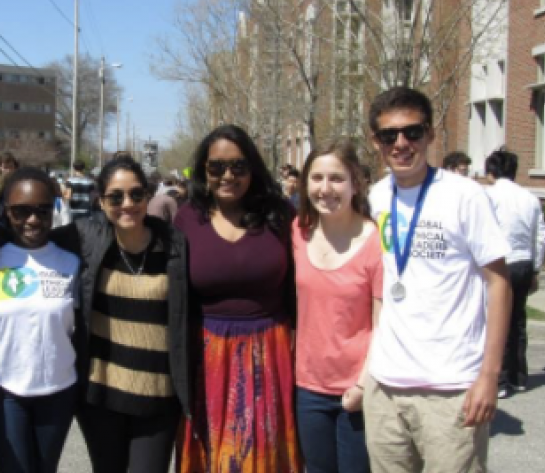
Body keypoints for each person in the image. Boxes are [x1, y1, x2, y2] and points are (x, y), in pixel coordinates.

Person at [0, 155, 195, 473]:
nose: (127, 204)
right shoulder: (84, 239)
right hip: (101, 397)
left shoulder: (172, 244)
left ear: (148, 196)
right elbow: (29, 235)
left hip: (156, 396)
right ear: (101, 200)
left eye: (137, 194)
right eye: (115, 196)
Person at [364, 87, 512, 473]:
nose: (401, 143)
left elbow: (499, 284)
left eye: (412, 132)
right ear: (375, 142)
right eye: (388, 135)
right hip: (385, 386)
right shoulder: (376, 197)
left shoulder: (464, 195)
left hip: (451, 388)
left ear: (429, 134)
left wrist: (490, 376)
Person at [176, 124, 302, 472]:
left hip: (269, 351)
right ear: (203, 170)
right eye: (216, 167)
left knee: (261, 455)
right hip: (206, 355)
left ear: (253, 168)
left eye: (238, 166)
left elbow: (300, 282)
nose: (227, 175)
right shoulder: (187, 218)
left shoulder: (279, 215)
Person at [0, 167, 81, 473]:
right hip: (6, 390)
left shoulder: (71, 262)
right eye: (21, 211)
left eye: (42, 209)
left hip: (58, 389)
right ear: (5, 211)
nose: (33, 220)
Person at [293, 138, 381, 473]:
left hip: (356, 388)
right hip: (307, 387)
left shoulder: (375, 241)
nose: (325, 189)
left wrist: (362, 384)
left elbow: (382, 322)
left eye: (337, 179)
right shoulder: (297, 234)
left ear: (356, 184)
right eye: (316, 178)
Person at [484, 148, 545, 399]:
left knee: (496, 320)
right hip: (523, 262)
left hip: (501, 262)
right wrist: (535, 268)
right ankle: (518, 376)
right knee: (518, 320)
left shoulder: (489, 196)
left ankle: (498, 380)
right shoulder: (530, 198)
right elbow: (540, 236)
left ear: (492, 171)